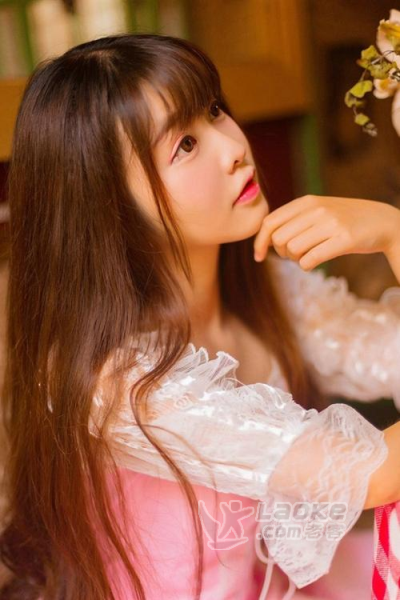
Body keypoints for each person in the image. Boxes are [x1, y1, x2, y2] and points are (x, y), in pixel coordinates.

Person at [0, 33, 399, 600]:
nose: (233, 146)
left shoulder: (272, 292)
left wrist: (393, 233)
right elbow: (374, 475)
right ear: (109, 204)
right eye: (184, 144)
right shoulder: (118, 382)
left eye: (213, 109)